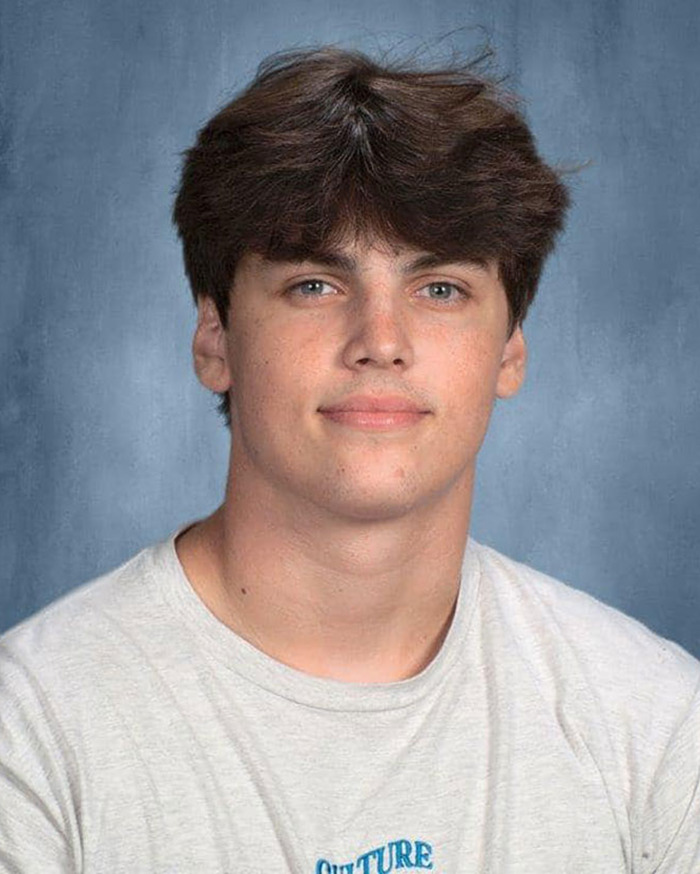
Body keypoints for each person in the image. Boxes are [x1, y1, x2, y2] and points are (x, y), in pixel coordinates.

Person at [1, 45, 698, 874]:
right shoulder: (31, 735)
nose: (380, 343)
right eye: (314, 286)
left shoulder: (655, 726)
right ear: (215, 338)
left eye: (439, 289)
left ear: (509, 351)